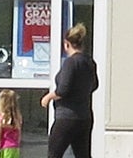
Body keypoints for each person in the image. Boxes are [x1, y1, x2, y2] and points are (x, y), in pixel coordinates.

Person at [41, 24, 98, 158]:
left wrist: (48, 97)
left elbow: (63, 89)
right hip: (85, 117)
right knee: (83, 154)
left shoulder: (70, 62)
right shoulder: (89, 62)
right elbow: (95, 85)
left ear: (67, 44)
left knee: (54, 154)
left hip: (66, 117)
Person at [0, 89, 22, 158]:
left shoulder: (1, 117)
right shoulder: (17, 116)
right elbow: (19, 134)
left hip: (4, 147)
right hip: (15, 148)